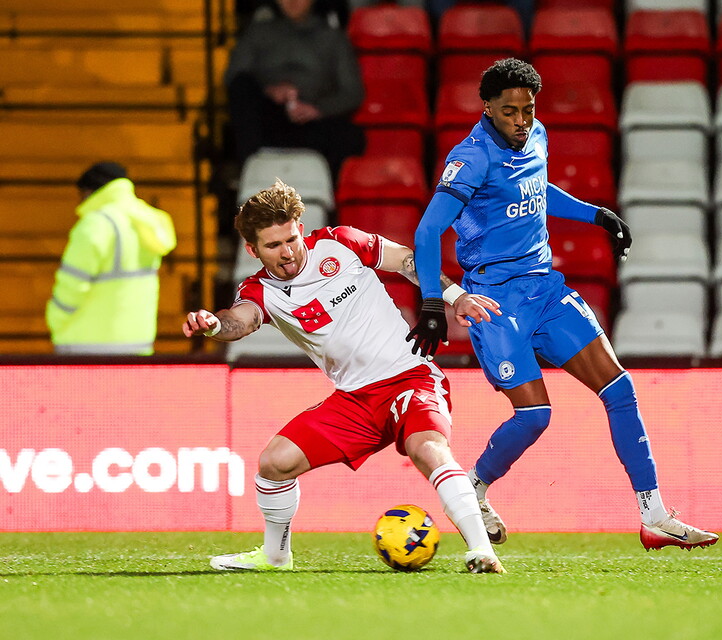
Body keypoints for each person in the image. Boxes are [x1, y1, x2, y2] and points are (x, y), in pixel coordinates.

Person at [408, 58, 719, 551]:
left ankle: (654, 515)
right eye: (509, 111)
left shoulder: (537, 136)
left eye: (528, 109)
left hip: (546, 289)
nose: (521, 120)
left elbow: (537, 189)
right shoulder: (470, 158)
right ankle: (474, 487)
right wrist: (431, 302)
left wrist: (597, 214)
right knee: (534, 416)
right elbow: (427, 231)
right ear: (486, 107)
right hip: (494, 298)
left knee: (620, 388)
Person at [184, 180, 504, 573]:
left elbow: (408, 259)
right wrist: (214, 324)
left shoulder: (341, 243)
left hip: (410, 377)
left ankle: (481, 552)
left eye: (291, 239)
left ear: (300, 227)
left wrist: (455, 298)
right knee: (274, 463)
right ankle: (275, 555)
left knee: (428, 449)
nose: (287, 253)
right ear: (252, 250)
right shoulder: (261, 290)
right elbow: (241, 320)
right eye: (272, 246)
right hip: (354, 399)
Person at [45, 162, 177, 355]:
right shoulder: (147, 222)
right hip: (137, 345)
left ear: (89, 192)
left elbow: (72, 286)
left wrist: (55, 320)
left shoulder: (96, 224)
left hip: (87, 345)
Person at [224, 0, 365, 179]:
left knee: (350, 136)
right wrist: (270, 91)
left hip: (313, 123)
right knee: (242, 86)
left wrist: (318, 109)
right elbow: (233, 76)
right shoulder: (258, 32)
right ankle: (251, 175)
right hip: (268, 119)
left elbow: (353, 92)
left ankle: (325, 197)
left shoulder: (333, 38)